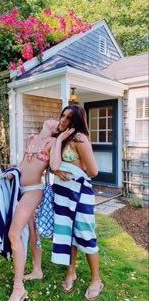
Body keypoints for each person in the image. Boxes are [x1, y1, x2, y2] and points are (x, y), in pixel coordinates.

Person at [50, 105, 103, 300]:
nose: (63, 120)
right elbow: (53, 164)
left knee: (86, 234)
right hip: (62, 194)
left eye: (69, 118)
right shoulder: (62, 138)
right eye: (62, 116)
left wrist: (75, 176)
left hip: (79, 193)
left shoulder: (80, 139)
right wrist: (57, 170)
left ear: (77, 121)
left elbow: (94, 170)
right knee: (68, 234)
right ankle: (71, 272)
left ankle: (96, 279)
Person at [7, 118, 59, 301]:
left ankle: (18, 287)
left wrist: (60, 140)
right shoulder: (31, 139)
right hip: (20, 190)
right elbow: (23, 164)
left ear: (56, 129)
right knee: (32, 231)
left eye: (57, 120)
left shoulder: (53, 142)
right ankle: (37, 270)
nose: (53, 119)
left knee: (14, 234)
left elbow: (54, 166)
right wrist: (15, 169)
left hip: (34, 191)